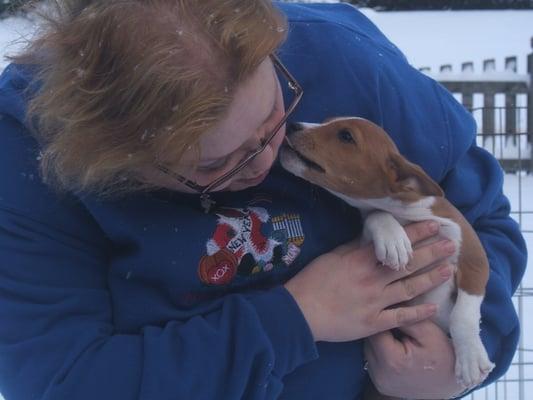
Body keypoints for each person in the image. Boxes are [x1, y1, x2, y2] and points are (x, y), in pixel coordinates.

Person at [0, 1, 526, 399]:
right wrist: (294, 318)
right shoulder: (30, 156)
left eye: (276, 110)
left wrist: (463, 352)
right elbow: (62, 383)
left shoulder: (349, 62)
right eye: (213, 164)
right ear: (116, 163)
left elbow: (482, 219)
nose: (268, 158)